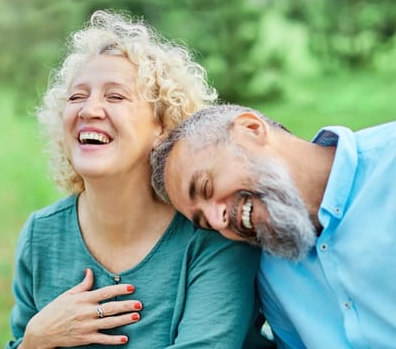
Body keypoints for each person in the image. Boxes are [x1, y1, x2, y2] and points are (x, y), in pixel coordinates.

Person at [5, 11, 262, 349]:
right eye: (77, 97)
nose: (89, 110)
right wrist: (36, 340)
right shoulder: (41, 236)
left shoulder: (212, 233)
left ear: (164, 127)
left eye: (115, 97)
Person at [150, 103, 396, 348]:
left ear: (251, 129)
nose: (218, 221)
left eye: (206, 187)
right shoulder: (272, 271)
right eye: (205, 223)